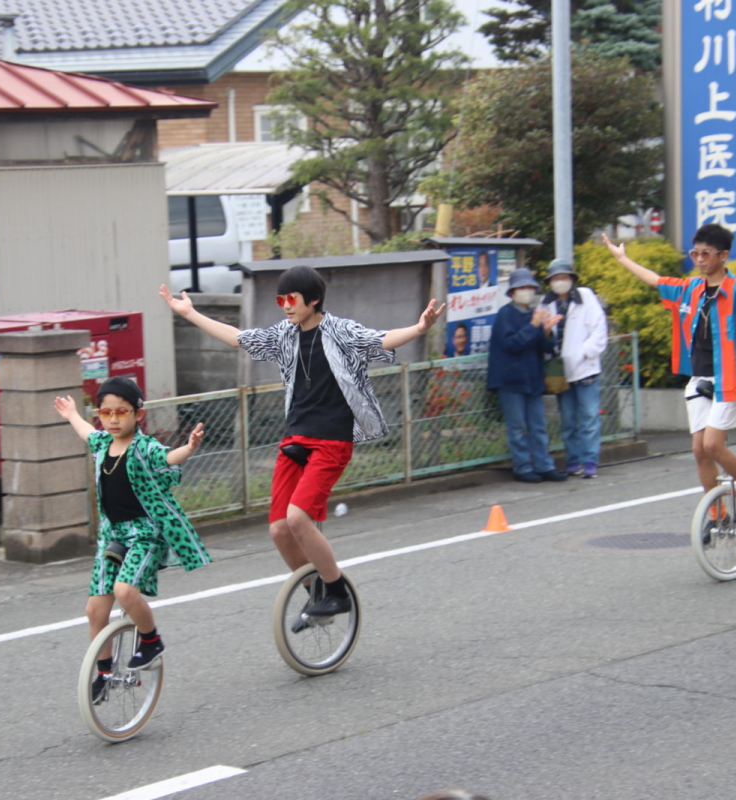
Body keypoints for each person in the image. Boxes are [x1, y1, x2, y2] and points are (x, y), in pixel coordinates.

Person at [159, 268, 444, 619]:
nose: (285, 306)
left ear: (314, 299)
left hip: (332, 441)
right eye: (281, 299)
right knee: (279, 529)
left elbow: (380, 340)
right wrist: (189, 313)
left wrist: (419, 328)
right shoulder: (284, 335)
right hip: (295, 437)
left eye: (292, 299)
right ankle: (316, 592)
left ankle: (337, 591)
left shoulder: (341, 332)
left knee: (297, 518)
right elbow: (238, 338)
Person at [602, 224, 736, 525]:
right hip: (699, 379)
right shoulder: (691, 289)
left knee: (713, 445)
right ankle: (717, 514)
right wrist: (622, 258)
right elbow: (654, 280)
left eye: (706, 254)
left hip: (730, 379)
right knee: (699, 451)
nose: (699, 259)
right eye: (695, 253)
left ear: (723, 255)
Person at [53, 377, 211, 699]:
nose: (112, 420)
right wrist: (72, 414)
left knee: (124, 591)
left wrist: (190, 448)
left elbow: (169, 458)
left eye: (121, 412)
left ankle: (151, 640)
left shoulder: (144, 448)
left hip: (144, 535)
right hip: (111, 535)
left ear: (138, 414)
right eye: (105, 413)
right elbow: (86, 431)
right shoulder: (102, 443)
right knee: (95, 610)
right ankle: (105, 674)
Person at [487, 267, 567, 483]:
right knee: (517, 427)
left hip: (532, 378)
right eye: (522, 287)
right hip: (509, 380)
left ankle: (544, 465)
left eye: (530, 287)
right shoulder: (505, 314)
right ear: (512, 292)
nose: (527, 291)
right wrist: (534, 326)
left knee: (538, 425)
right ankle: (522, 467)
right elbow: (511, 344)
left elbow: (547, 347)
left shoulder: (535, 314)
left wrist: (546, 331)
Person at [538, 258, 609, 479]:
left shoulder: (585, 297)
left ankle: (589, 460)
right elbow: (542, 337)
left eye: (564, 277)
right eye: (556, 278)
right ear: (550, 281)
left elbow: (599, 330)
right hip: (560, 371)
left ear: (571, 279)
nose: (560, 281)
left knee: (588, 416)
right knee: (567, 419)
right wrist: (546, 332)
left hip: (586, 368)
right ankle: (573, 460)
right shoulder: (545, 304)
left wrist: (583, 353)